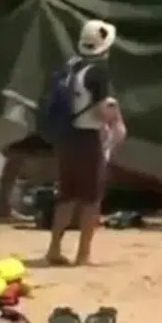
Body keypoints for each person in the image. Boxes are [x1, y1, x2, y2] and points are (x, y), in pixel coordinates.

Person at [45, 19, 121, 266]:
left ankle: (54, 248)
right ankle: (83, 254)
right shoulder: (98, 73)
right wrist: (115, 121)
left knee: (66, 195)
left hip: (66, 135)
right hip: (88, 137)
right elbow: (101, 110)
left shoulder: (71, 66)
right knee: (91, 198)